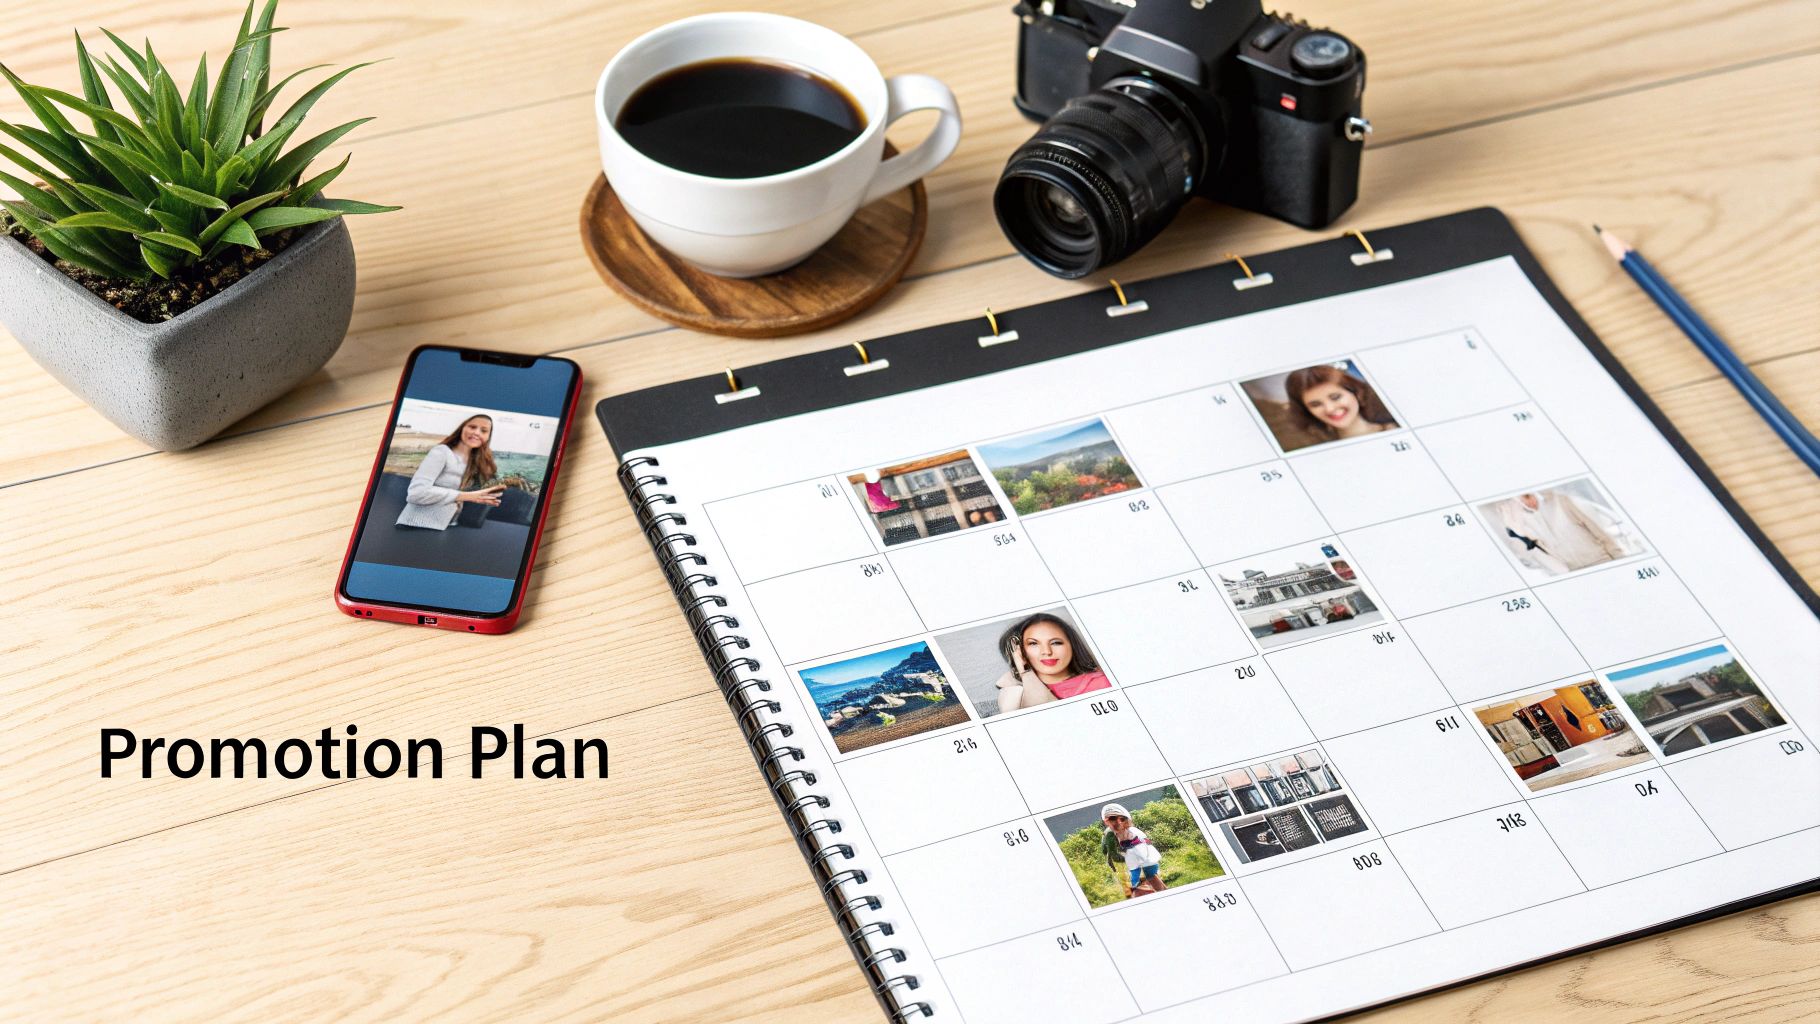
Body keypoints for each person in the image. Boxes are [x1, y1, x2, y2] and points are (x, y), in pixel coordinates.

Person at [1487, 488, 1636, 574]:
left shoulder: (1562, 500)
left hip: (1603, 561)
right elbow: (1528, 552)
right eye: (1519, 500)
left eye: (1527, 496)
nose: (1528, 502)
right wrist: (1514, 522)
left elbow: (1600, 531)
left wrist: (1620, 560)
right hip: (1574, 571)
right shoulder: (1522, 522)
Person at [396, 414, 506, 530]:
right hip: (415, 525)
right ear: (462, 428)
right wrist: (469, 496)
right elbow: (416, 493)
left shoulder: (475, 462)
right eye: (472, 427)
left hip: (449, 526)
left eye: (483, 431)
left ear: (488, 437)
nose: (477, 433)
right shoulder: (441, 452)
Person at [993, 613, 1110, 713]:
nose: (1047, 652)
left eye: (1056, 643)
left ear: (1072, 645)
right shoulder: (1012, 690)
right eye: (1033, 643)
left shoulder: (1101, 683)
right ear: (1017, 651)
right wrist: (1025, 672)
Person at [1283, 364, 1398, 444]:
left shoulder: (1393, 429)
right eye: (1315, 404)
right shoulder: (1314, 443)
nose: (1330, 409)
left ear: (1356, 392)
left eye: (1335, 397)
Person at [1099, 803, 1164, 897]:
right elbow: (1112, 854)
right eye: (1113, 819)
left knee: (1149, 877)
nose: (1119, 822)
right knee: (1133, 886)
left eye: (1122, 819)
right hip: (1122, 861)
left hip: (1138, 857)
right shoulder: (1110, 833)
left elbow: (1142, 844)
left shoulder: (1129, 830)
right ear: (1107, 821)